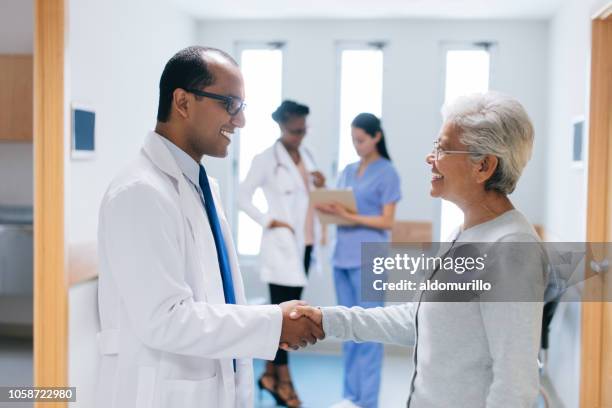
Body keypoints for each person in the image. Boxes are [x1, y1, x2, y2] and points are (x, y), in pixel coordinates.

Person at [95, 46, 324, 408]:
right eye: (230, 104)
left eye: (241, 107)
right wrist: (272, 323)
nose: (240, 121)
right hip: (160, 393)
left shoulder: (199, 185)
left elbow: (215, 300)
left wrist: (269, 323)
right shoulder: (139, 192)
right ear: (183, 102)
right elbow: (164, 319)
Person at [288, 92, 547, 408]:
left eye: (442, 147)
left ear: (484, 166)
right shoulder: (464, 234)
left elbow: (515, 386)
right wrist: (327, 319)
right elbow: (417, 320)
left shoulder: (512, 250)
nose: (430, 157)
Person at [238, 100, 325, 407]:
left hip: (305, 244)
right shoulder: (266, 159)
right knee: (286, 316)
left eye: (304, 130)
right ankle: (283, 379)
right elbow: (242, 195)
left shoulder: (307, 156)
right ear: (281, 125)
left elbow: (312, 197)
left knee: (289, 311)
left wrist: (320, 184)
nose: (300, 136)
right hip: (282, 246)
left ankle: (269, 375)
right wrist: (267, 220)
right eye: (294, 130)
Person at [317, 113, 401, 408]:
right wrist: (330, 207)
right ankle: (350, 397)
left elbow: (387, 221)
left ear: (376, 136)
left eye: (361, 140)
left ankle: (367, 402)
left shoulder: (388, 172)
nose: (356, 145)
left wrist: (349, 216)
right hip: (342, 257)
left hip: (369, 259)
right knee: (346, 329)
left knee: (370, 330)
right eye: (353, 140)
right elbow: (338, 211)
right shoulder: (349, 170)